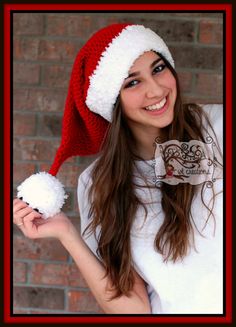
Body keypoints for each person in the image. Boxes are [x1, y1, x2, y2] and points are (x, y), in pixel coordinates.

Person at [13, 24, 223, 314]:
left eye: (158, 68)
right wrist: (67, 234)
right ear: (112, 100)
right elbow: (136, 309)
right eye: (132, 83)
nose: (156, 89)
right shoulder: (100, 184)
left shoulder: (218, 126)